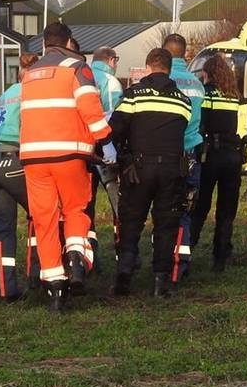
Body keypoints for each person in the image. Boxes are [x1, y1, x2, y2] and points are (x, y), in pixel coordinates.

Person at [19, 21, 111, 311]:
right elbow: (91, 110)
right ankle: (74, 256)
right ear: (69, 41)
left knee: (44, 219)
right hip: (70, 154)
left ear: (45, 44)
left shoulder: (30, 74)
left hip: (33, 158)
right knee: (74, 209)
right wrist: (105, 139)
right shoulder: (77, 68)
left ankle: (55, 288)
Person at [109, 48, 191, 298]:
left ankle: (124, 277)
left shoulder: (133, 96)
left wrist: (123, 156)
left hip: (138, 169)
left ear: (148, 68)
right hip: (171, 170)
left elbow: (115, 129)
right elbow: (183, 131)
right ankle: (160, 283)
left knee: (132, 221)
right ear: (168, 68)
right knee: (166, 225)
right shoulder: (182, 100)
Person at [0, 53, 38, 303]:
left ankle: (6, 288)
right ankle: (39, 274)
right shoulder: (31, 93)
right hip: (12, 158)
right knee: (41, 214)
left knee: (2, 229)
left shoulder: (8, 92)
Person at [189, 53, 247, 272]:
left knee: (199, 207)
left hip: (210, 155)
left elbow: (200, 125)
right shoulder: (233, 96)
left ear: (207, 74)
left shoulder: (206, 94)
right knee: (226, 210)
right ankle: (221, 257)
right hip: (232, 156)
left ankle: (186, 254)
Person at [163, 34, 204, 281]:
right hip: (191, 153)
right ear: (185, 53)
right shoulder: (196, 83)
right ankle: (182, 264)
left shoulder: (161, 81)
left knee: (164, 209)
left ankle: (163, 260)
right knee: (185, 210)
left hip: (166, 154)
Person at [85, 46, 124, 266]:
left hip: (84, 150)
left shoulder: (83, 77)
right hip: (107, 149)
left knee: (86, 204)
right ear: (110, 60)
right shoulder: (111, 83)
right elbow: (116, 117)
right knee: (117, 201)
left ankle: (90, 255)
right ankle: (121, 251)